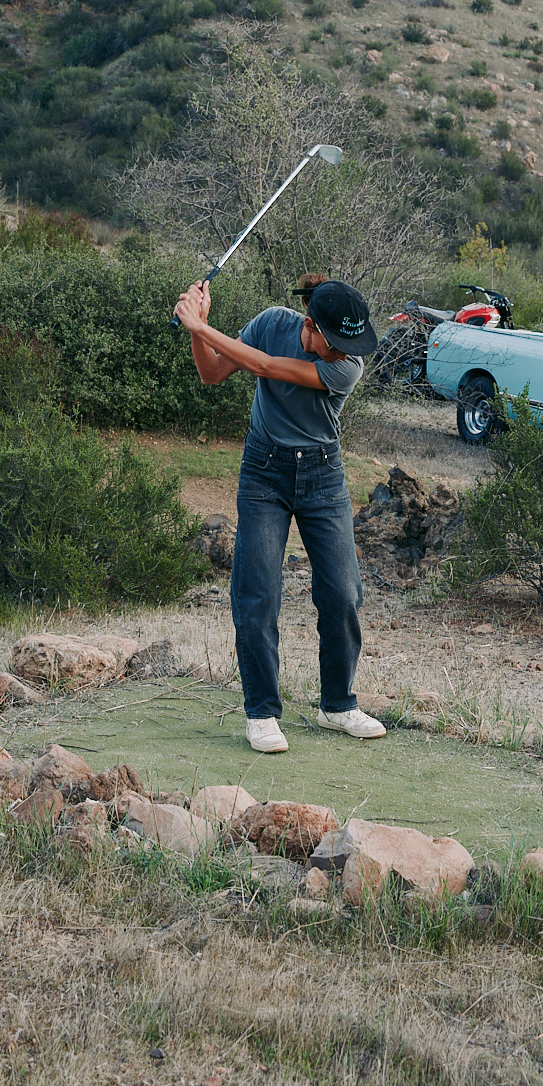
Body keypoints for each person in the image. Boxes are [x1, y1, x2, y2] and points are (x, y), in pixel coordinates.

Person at [174, 274, 385, 754]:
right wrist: (197, 328)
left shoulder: (346, 367)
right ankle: (262, 713)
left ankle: (338, 705)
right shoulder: (272, 324)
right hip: (264, 473)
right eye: (336, 344)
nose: (344, 353)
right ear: (310, 326)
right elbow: (212, 373)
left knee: (343, 592)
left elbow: (266, 367)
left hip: (323, 475)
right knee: (258, 593)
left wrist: (200, 326)